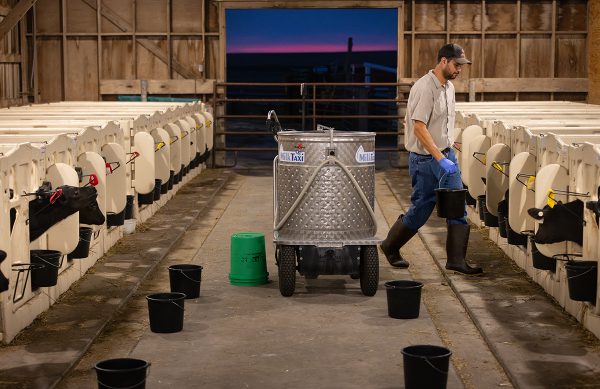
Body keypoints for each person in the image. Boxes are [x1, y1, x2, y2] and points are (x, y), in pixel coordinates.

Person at [380, 43, 483, 275]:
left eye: (462, 66)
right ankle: (390, 246)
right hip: (427, 160)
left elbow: (440, 122)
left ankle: (456, 260)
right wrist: (440, 158)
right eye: (457, 65)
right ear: (443, 61)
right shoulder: (425, 88)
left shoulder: (449, 87)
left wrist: (448, 141)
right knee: (421, 209)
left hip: (444, 155)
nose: (460, 70)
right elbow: (418, 127)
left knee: (457, 207)